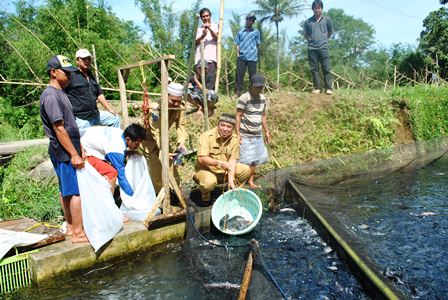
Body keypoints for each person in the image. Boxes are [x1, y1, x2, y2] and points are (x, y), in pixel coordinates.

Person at [40, 55, 88, 243]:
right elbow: (59, 128)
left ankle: (70, 227)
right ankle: (78, 233)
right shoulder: (51, 96)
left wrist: (80, 146)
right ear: (53, 72)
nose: (69, 75)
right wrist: (74, 153)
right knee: (74, 192)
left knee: (67, 190)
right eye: (65, 72)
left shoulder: (61, 93)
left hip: (70, 149)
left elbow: (70, 125)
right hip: (64, 152)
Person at [140, 82, 187, 195]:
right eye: (173, 101)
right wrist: (163, 150)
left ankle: (178, 194)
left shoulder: (180, 106)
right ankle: (161, 201)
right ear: (166, 96)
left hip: (164, 139)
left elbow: (181, 125)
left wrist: (181, 141)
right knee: (156, 174)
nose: (176, 104)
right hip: (148, 141)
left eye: (178, 101)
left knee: (172, 169)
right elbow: (156, 132)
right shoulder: (155, 109)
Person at [194, 113, 251, 203]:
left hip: (224, 172)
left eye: (228, 127)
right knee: (209, 182)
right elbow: (202, 158)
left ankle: (232, 192)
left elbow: (232, 161)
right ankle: (206, 197)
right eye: (222, 125)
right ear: (218, 125)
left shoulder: (235, 139)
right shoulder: (206, 136)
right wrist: (219, 163)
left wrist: (231, 181)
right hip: (206, 171)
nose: (225, 129)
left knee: (246, 170)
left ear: (233, 129)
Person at [81, 124, 147, 196]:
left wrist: (127, 153)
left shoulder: (120, 132)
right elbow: (122, 178)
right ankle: (108, 203)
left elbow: (113, 153)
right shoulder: (117, 149)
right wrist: (133, 196)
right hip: (82, 150)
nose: (138, 146)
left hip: (82, 138)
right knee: (112, 173)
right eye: (137, 144)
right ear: (128, 139)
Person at [66, 48, 120, 134]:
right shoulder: (71, 75)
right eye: (84, 59)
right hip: (81, 118)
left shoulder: (90, 75)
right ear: (77, 60)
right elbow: (63, 94)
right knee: (87, 141)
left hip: (95, 114)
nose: (87, 61)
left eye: (88, 58)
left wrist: (109, 109)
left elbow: (99, 94)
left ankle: (114, 144)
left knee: (114, 118)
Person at [236, 74, 271, 189]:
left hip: (257, 134)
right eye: (256, 87)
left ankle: (251, 182)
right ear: (251, 85)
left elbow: (263, 116)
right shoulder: (244, 98)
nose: (258, 89)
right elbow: (238, 116)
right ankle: (240, 183)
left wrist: (266, 132)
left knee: (255, 160)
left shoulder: (263, 98)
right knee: (245, 160)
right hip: (245, 134)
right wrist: (238, 134)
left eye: (260, 87)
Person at [304, 0, 333, 95]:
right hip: (312, 49)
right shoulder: (308, 22)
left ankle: (328, 88)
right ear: (313, 9)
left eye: (319, 8)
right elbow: (306, 35)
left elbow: (330, 32)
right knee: (314, 69)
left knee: (326, 68)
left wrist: (323, 40)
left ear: (321, 9)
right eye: (315, 8)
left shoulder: (327, 20)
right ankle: (317, 88)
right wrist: (312, 42)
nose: (317, 10)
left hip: (323, 47)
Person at [234, 12, 261, 97]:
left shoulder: (256, 32)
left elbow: (257, 44)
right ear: (246, 20)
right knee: (239, 76)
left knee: (253, 77)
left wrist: (254, 52)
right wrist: (237, 54)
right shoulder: (240, 32)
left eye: (253, 20)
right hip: (241, 57)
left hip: (252, 57)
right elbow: (237, 44)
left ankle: (253, 93)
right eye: (250, 19)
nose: (251, 21)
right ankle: (237, 93)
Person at [195, 7, 219, 90]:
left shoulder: (216, 26)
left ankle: (209, 99)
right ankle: (199, 99)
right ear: (201, 18)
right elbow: (195, 43)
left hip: (211, 58)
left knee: (210, 80)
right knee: (200, 80)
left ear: (210, 16)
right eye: (203, 16)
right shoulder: (198, 29)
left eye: (207, 16)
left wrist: (209, 29)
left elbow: (217, 38)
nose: (205, 18)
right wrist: (203, 36)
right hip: (199, 58)